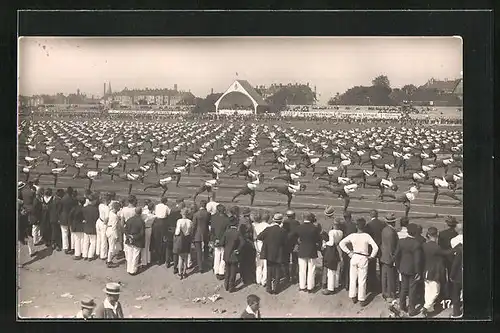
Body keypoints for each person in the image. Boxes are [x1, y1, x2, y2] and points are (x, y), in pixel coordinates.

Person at [339, 218, 379, 306]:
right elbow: (375, 247)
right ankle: (361, 298)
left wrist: (349, 252)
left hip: (354, 257)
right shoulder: (367, 236)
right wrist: (372, 256)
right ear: (364, 227)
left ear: (356, 226)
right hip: (363, 258)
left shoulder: (352, 235)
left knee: (353, 278)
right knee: (362, 279)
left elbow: (341, 243)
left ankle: (353, 296)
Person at [395, 223, 423, 316]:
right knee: (412, 289)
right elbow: (418, 260)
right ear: (415, 232)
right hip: (412, 269)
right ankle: (411, 308)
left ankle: (402, 306)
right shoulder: (416, 244)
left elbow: (397, 255)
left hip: (403, 267)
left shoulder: (401, 241)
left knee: (403, 288)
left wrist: (398, 267)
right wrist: (418, 272)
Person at [421, 226, 450, 317]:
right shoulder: (436, 247)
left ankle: (428, 308)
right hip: (434, 272)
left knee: (428, 290)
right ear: (436, 235)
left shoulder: (424, 245)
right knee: (436, 291)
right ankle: (425, 307)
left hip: (426, 270)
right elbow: (445, 253)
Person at [257, 213, 287, 294]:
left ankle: (269, 288)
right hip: (278, 253)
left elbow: (259, 237)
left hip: (268, 252)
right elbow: (285, 242)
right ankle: (276, 288)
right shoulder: (283, 231)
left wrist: (267, 241)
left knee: (269, 270)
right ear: (280, 222)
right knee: (277, 270)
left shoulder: (268, 229)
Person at [293, 212, 321, 293]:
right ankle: (310, 287)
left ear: (303, 218)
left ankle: (302, 286)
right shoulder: (314, 228)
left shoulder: (299, 227)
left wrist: (298, 242)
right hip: (312, 250)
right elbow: (318, 239)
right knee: (311, 269)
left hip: (302, 249)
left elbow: (292, 236)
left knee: (302, 269)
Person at [221, 215, 245, 293]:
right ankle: (231, 286)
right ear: (236, 223)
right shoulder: (237, 233)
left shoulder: (226, 232)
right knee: (233, 272)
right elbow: (243, 242)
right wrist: (238, 249)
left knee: (227, 270)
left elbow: (222, 242)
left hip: (227, 254)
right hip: (234, 254)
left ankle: (226, 285)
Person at [438, 216, 458, 299]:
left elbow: (439, 246)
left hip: (444, 257)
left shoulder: (442, 233)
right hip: (453, 257)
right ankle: (452, 294)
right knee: (452, 276)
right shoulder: (456, 234)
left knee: (442, 276)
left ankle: (443, 294)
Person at [322, 218, 344, 295]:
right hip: (338, 250)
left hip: (332, 250)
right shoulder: (341, 232)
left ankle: (330, 288)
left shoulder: (332, 232)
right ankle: (336, 285)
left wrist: (325, 243)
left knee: (331, 270)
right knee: (337, 270)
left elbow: (331, 243)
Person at [380, 213, 398, 302]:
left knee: (384, 276)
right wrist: (394, 258)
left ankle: (384, 292)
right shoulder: (392, 232)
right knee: (390, 277)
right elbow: (392, 247)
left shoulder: (384, 230)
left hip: (383, 255)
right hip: (389, 257)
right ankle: (390, 294)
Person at [366, 209, 384, 293]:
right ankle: (382, 284)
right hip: (380, 247)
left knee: (371, 267)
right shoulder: (382, 224)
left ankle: (372, 284)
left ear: (370, 215)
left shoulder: (369, 225)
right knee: (382, 266)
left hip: (371, 248)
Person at [124, 207, 145, 275]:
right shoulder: (141, 221)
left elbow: (125, 230)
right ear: (140, 213)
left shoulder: (129, 220)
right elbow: (142, 233)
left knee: (130, 255)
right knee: (135, 255)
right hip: (137, 240)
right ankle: (133, 270)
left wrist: (129, 236)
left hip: (129, 239)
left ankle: (129, 268)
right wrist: (134, 237)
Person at [211, 204, 230, 280]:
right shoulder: (227, 219)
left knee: (217, 254)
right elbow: (227, 231)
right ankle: (221, 271)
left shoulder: (214, 218)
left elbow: (212, 230)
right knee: (223, 256)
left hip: (216, 238)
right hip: (223, 239)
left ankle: (216, 269)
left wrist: (214, 239)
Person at [191, 200, 211, 273]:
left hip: (197, 233)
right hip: (205, 232)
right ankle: (205, 262)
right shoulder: (208, 214)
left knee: (198, 251)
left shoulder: (196, 214)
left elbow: (193, 226)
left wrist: (192, 235)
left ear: (200, 205)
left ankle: (200, 267)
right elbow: (209, 223)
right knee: (206, 248)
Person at [173, 208, 193, 279]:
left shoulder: (179, 221)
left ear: (182, 213)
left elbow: (177, 231)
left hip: (181, 239)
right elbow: (191, 231)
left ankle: (179, 273)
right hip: (187, 238)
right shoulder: (190, 221)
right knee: (186, 257)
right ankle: (184, 272)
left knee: (180, 257)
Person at [239, 207, 256, 286]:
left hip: (242, 242)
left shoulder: (241, 220)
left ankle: (244, 277)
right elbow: (249, 231)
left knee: (243, 262)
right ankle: (248, 278)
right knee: (248, 262)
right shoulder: (246, 221)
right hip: (247, 242)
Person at [282, 210, 300, 284]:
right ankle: (293, 277)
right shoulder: (296, 223)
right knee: (294, 261)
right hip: (294, 243)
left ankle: (287, 277)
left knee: (286, 261)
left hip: (286, 244)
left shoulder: (285, 223)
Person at [340, 210, 356, 291]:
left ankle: (344, 282)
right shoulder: (354, 225)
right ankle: (349, 283)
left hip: (344, 248)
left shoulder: (341, 225)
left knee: (345, 265)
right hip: (352, 248)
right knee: (351, 267)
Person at [252, 210, 269, 287]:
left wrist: (256, 248)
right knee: (266, 264)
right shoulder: (269, 226)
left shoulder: (257, 226)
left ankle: (258, 279)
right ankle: (264, 281)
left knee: (259, 264)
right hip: (266, 245)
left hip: (258, 245)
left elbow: (254, 239)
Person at [59, 187, 77, 255]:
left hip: (63, 217)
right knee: (72, 233)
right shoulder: (73, 200)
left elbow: (60, 209)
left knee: (64, 233)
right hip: (71, 218)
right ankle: (72, 247)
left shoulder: (63, 199)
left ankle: (65, 248)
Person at [82, 194, 99, 261]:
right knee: (93, 242)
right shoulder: (96, 209)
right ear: (94, 201)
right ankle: (90, 255)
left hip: (86, 226)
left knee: (86, 242)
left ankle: (84, 255)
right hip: (93, 227)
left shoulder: (84, 208)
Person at [96, 193, 111, 261]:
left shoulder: (100, 205)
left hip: (99, 221)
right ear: (108, 201)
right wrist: (107, 225)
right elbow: (107, 218)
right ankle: (103, 255)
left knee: (99, 238)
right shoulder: (107, 208)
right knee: (104, 240)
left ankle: (97, 252)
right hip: (103, 223)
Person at [105, 202, 121, 268]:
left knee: (110, 246)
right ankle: (109, 261)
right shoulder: (115, 216)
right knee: (111, 247)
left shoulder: (110, 212)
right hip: (112, 231)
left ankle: (109, 258)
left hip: (108, 229)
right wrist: (116, 236)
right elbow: (114, 227)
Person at [140, 202, 156, 269]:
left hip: (145, 229)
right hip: (149, 229)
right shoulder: (153, 216)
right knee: (148, 245)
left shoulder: (144, 215)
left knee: (144, 246)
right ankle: (148, 260)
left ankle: (144, 261)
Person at [450, 242, 463, 318]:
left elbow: (455, 264)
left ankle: (456, 313)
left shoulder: (459, 250)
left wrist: (451, 275)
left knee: (456, 294)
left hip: (459, 276)